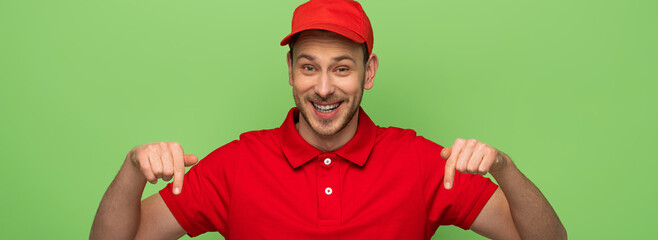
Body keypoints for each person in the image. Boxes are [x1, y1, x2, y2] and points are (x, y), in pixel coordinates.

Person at [90, 0, 566, 239]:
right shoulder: (236, 164)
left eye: (342, 67)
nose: (323, 87)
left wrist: (504, 167)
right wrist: (131, 171)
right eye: (308, 67)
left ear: (369, 72)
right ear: (291, 73)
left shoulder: (422, 162)